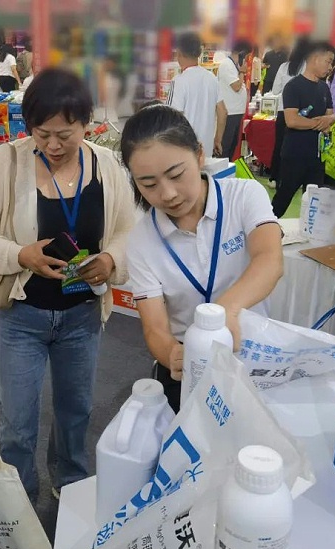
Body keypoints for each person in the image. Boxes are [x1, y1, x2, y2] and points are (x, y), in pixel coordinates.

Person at [0, 68, 136, 501]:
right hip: (22, 315)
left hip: (82, 314)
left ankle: (70, 485)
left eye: (64, 134)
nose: (52, 145)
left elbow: (131, 232)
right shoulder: (8, 161)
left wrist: (111, 259)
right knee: (17, 419)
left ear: (86, 123)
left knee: (76, 412)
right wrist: (21, 255)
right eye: (41, 134)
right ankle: (18, 497)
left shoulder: (105, 165)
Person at [121, 105, 283, 412]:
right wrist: (172, 354)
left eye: (176, 174)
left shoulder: (244, 196)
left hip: (252, 355)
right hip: (189, 363)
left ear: (199, 155)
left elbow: (270, 259)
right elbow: (154, 327)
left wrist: (226, 311)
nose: (167, 194)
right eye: (149, 184)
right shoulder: (142, 240)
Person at [271, 41, 335, 218]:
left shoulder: (324, 88)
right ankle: (263, 231)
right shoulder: (293, 87)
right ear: (315, 59)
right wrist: (319, 123)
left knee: (315, 203)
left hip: (317, 157)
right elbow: (292, 120)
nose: (330, 67)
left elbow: (331, 115)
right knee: (282, 199)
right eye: (328, 61)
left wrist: (328, 120)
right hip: (294, 155)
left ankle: (309, 238)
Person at [167, 32, 227, 159]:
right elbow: (223, 112)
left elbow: (171, 118)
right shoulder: (211, 78)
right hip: (206, 152)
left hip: (184, 152)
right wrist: (217, 140)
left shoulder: (178, 81)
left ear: (179, 52)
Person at [268, 36, 312, 189]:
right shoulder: (307, 67)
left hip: (282, 111)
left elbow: (275, 90)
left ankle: (274, 178)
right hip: (302, 114)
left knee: (279, 146)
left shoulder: (284, 67)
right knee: (296, 148)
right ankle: (294, 181)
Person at [216, 40, 250, 160]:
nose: (246, 60)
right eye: (246, 56)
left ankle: (227, 171)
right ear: (241, 54)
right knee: (225, 146)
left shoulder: (234, 66)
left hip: (236, 112)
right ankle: (220, 173)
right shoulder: (227, 65)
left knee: (232, 145)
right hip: (229, 112)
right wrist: (242, 72)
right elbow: (236, 87)